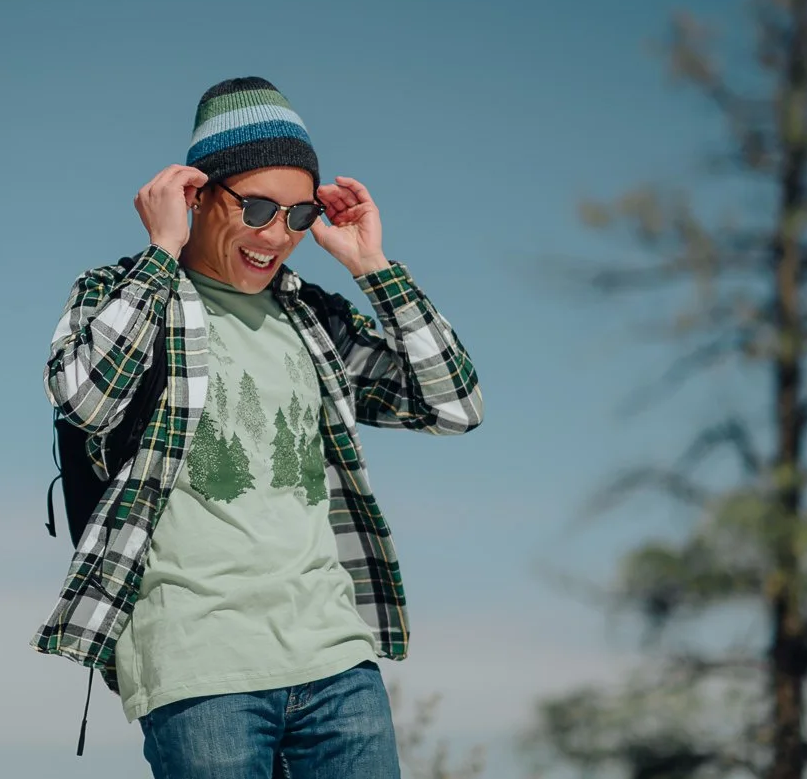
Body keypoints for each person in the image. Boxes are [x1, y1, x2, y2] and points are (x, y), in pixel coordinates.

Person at [33, 76, 484, 778]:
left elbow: (455, 403)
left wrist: (374, 266)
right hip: (200, 666)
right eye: (259, 206)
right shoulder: (121, 292)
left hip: (337, 662)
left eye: (299, 215)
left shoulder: (313, 319)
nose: (277, 235)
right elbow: (86, 399)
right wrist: (160, 253)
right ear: (198, 194)